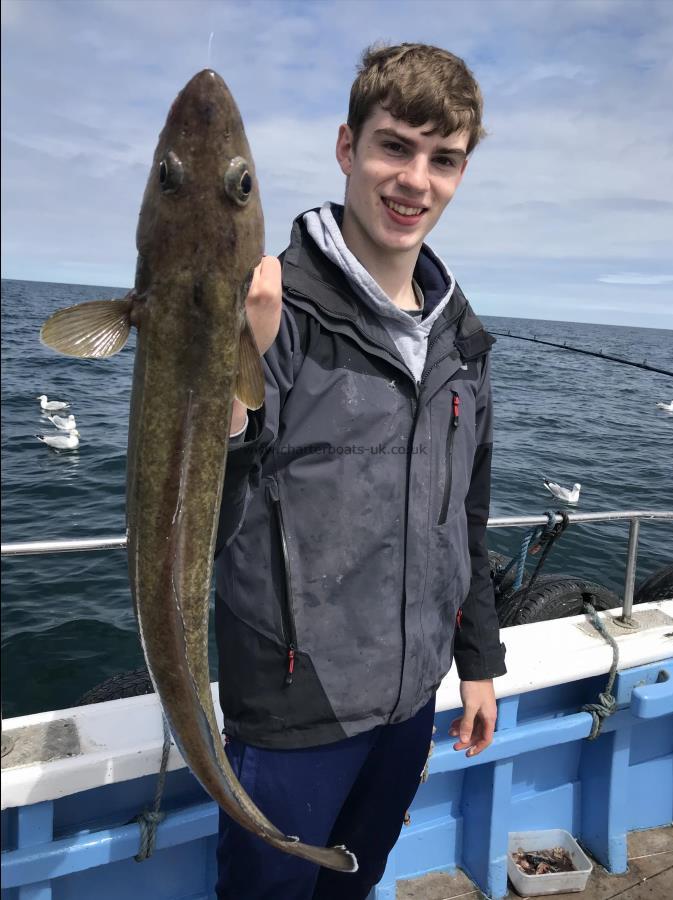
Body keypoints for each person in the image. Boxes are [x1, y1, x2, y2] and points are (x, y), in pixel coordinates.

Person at [214, 42, 506, 900]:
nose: (415, 179)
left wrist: (476, 661)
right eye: (394, 147)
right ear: (348, 148)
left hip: (413, 698)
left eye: (442, 159)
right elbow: (203, 506)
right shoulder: (268, 305)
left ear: (458, 173)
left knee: (354, 885)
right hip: (294, 712)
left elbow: (469, 515)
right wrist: (230, 374)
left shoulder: (463, 336)